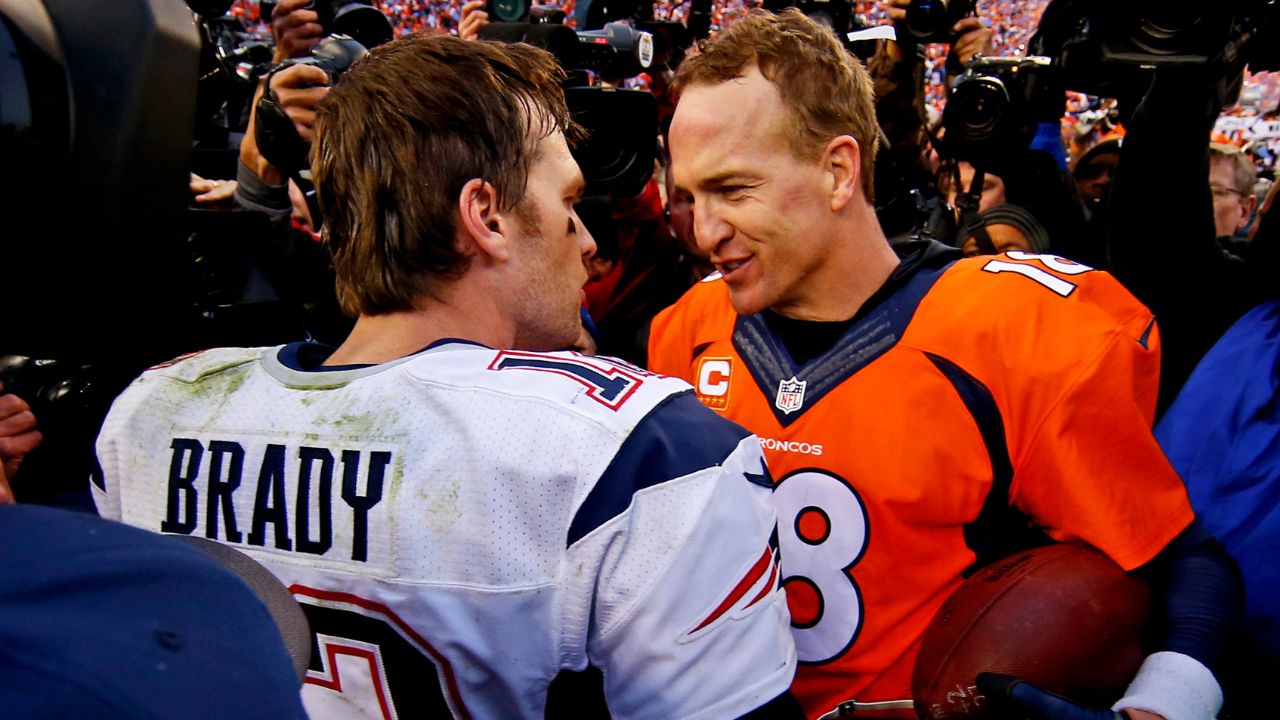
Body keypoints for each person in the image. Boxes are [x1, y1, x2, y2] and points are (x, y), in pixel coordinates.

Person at [91, 35, 799, 719]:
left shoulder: (154, 412)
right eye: (567, 203)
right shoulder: (639, 452)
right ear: (485, 215)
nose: (586, 240)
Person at [647, 10, 1239, 720]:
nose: (705, 231)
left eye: (734, 190)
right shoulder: (687, 329)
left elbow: (1185, 563)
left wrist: (1163, 705)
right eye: (690, 196)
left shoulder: (1009, 334)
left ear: (839, 171)